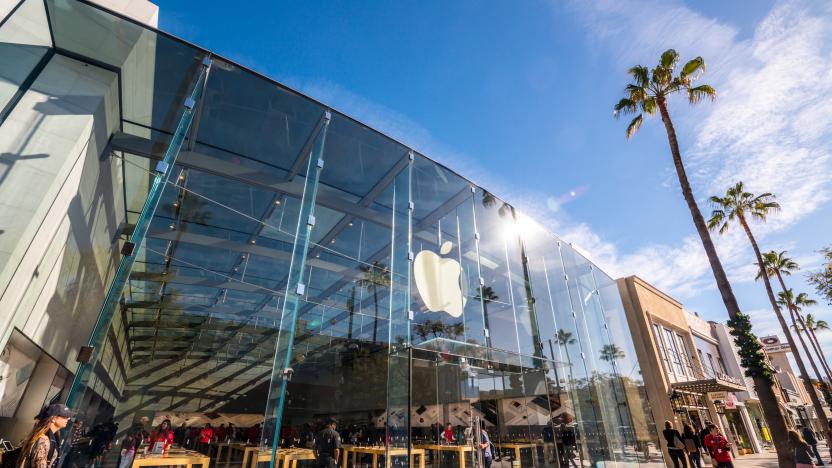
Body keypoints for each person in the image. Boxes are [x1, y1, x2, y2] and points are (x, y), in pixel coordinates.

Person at [16, 404, 72, 468]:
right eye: (64, 416)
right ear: (53, 418)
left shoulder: (51, 438)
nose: (68, 418)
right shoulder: (43, 440)